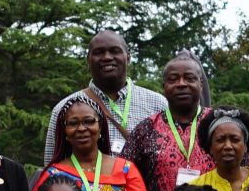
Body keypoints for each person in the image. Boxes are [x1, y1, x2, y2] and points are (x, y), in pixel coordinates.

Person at [44, 28, 168, 157]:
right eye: (99, 52)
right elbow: (52, 163)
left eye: (115, 51)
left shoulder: (158, 104)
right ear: (88, 60)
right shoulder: (65, 108)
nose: (107, 57)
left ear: (128, 57)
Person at [127, 51, 218, 191]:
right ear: (164, 87)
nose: (181, 84)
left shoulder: (219, 125)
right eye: (173, 79)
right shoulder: (145, 129)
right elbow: (124, 177)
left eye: (189, 78)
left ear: (201, 84)